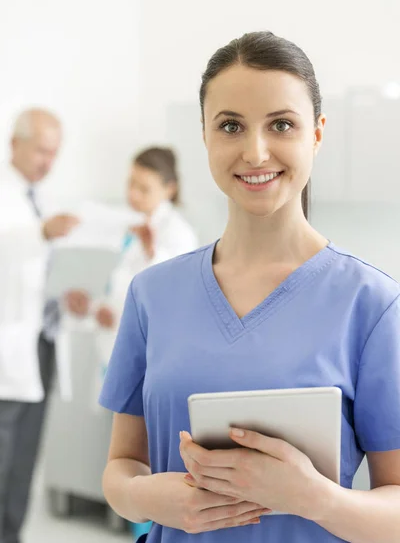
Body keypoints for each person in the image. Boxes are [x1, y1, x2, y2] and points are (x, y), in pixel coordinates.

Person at [98, 32, 400, 543]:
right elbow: (121, 467)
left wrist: (314, 498)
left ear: (317, 134)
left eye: (281, 124)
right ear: (205, 136)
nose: (255, 152)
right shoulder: (152, 295)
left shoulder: (371, 305)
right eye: (231, 126)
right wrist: (151, 498)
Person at [0, 108, 79, 543]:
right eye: (41, 150)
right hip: (8, 348)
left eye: (55, 153)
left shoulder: (41, 198)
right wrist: (40, 234)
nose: (48, 161)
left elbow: (39, 276)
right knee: (2, 454)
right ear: (16, 144)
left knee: (25, 458)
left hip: (41, 342)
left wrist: (67, 295)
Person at [66, 146, 198, 366]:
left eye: (144, 189)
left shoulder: (179, 235)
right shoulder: (130, 226)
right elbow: (121, 291)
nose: (133, 195)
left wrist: (151, 252)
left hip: (151, 359)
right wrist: (95, 308)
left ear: (170, 189)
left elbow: (173, 298)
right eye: (131, 184)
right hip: (113, 351)